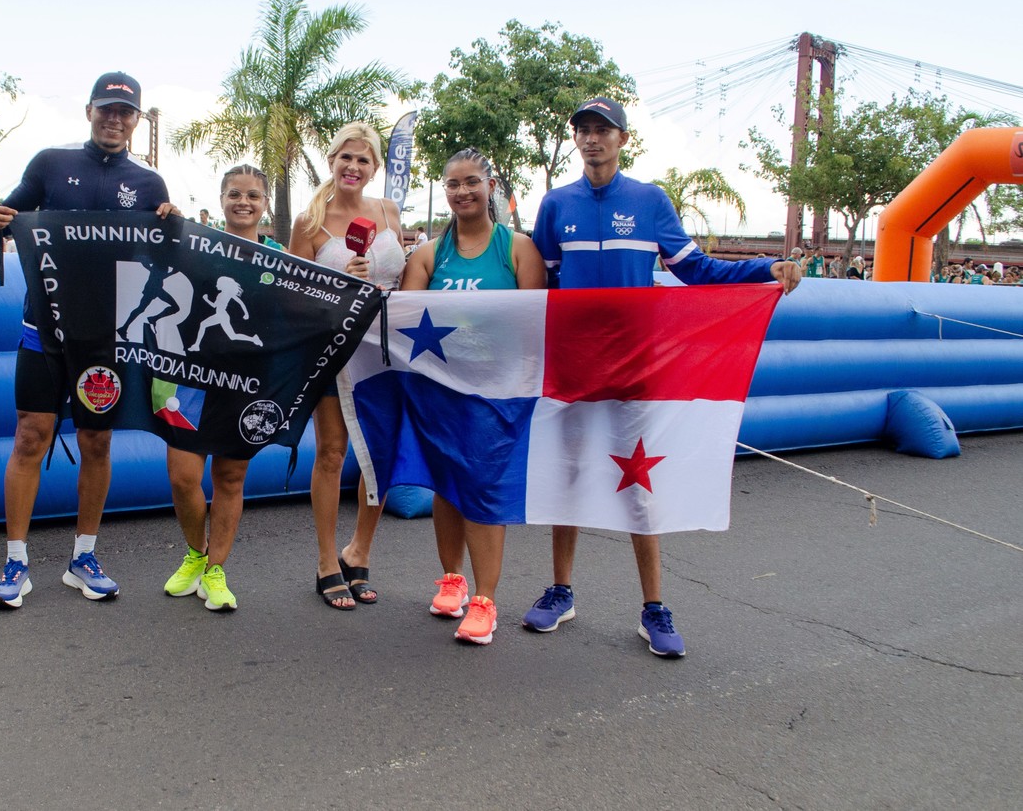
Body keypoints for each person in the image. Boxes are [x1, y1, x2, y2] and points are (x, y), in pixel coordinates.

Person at [523, 97, 801, 659]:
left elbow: (695, 269)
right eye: (584, 130)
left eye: (603, 130)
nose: (592, 139)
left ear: (623, 139)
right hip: (574, 364)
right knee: (569, 474)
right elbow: (541, 285)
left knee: (638, 482)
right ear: (575, 140)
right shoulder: (555, 205)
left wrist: (763, 269)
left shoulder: (649, 202)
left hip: (634, 365)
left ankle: (653, 608)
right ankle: (561, 591)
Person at [0, 71, 176, 608]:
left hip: (106, 339)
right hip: (44, 329)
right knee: (30, 437)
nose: (114, 119)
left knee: (96, 442)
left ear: (136, 120)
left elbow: (165, 259)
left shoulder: (150, 185)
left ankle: (83, 557)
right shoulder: (50, 164)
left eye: (125, 112)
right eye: (105, 109)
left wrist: (173, 227)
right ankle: (15, 563)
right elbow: (3, 219)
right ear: (88, 111)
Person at [398, 148, 546, 645]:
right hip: (439, 391)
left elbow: (534, 326)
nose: (462, 191)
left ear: (490, 185)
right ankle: (452, 580)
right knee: (446, 484)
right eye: (453, 184)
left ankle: (485, 600)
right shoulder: (427, 255)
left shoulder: (518, 250)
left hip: (496, 393)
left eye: (472, 182)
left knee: (482, 490)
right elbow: (400, 321)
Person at [287, 122, 404, 610]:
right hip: (333, 351)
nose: (353, 167)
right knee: (333, 454)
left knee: (379, 456)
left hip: (388, 350)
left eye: (363, 160)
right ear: (332, 161)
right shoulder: (309, 222)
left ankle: (359, 551)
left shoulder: (389, 212)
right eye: (345, 158)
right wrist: (337, 280)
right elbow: (292, 298)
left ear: (375, 167)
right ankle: (325, 562)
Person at [162, 163, 280, 612]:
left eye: (253, 195)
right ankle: (196, 553)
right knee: (182, 476)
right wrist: (167, 221)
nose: (243, 202)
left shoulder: (279, 258)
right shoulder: (195, 247)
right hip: (190, 379)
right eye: (235, 193)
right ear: (222, 199)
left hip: (245, 383)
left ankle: (216, 570)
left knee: (230, 477)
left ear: (265, 203)